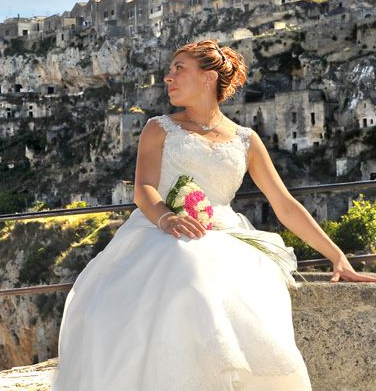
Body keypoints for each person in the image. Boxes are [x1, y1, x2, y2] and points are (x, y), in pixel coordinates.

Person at [51, 39, 376, 391]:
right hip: (161, 229)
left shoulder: (246, 140)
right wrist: (167, 218)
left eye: (179, 69)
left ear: (208, 78)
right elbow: (143, 188)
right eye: (170, 70)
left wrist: (338, 258)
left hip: (224, 235)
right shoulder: (158, 128)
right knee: (181, 263)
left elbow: (284, 204)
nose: (167, 77)